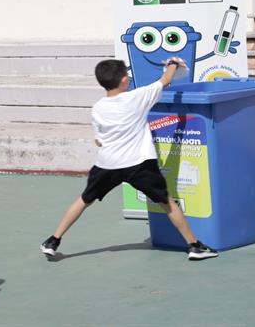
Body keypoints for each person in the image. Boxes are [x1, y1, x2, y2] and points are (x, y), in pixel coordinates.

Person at [40, 58, 218, 261]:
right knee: (167, 202)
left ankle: (53, 240)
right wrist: (173, 62)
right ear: (124, 80)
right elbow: (166, 79)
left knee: (84, 200)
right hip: (139, 164)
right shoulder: (138, 97)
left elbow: (99, 140)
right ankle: (194, 246)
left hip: (107, 164)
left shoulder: (98, 107)